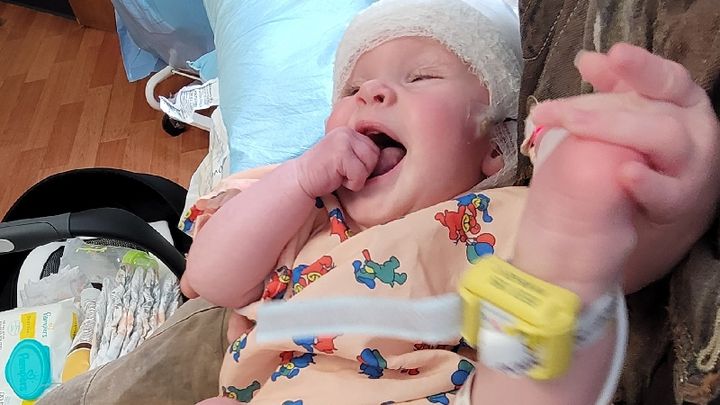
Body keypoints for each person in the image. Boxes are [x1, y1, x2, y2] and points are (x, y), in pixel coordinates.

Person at [37, 0, 720, 404]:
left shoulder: (498, 214)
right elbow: (209, 279)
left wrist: (672, 199)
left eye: (421, 77)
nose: (373, 92)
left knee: (551, 325)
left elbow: (620, 264)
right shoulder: (296, 206)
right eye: (353, 89)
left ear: (494, 148)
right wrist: (297, 180)